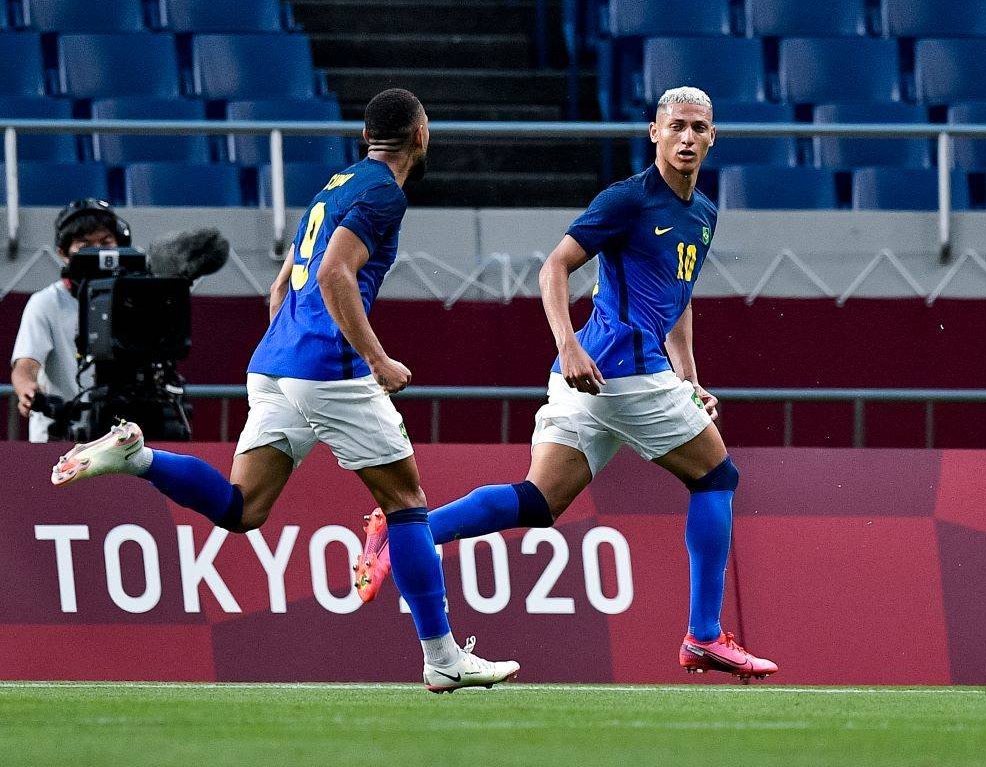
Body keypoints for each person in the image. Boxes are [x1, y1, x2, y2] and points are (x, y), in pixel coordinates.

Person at [49, 88, 519, 693]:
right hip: (327, 364)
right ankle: (442, 656)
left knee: (244, 508)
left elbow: (281, 287)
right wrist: (376, 360)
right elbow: (332, 273)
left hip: (275, 361)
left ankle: (137, 458)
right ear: (421, 135)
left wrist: (285, 355)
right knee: (406, 504)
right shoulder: (382, 193)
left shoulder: (336, 185)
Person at [355, 86, 777, 682]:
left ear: (713, 137)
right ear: (653, 133)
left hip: (599, 380)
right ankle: (703, 636)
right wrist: (568, 342)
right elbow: (554, 266)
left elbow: (678, 298)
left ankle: (401, 531)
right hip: (620, 370)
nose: (686, 138)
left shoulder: (703, 213)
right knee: (717, 476)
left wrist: (690, 378)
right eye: (676, 126)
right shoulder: (627, 201)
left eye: (698, 128)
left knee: (539, 501)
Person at [10, 200, 126, 441]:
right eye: (85, 245)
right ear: (64, 253)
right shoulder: (45, 303)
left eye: (106, 243)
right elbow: (25, 366)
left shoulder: (131, 301)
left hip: (118, 438)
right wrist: (27, 390)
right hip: (59, 438)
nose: (98, 252)